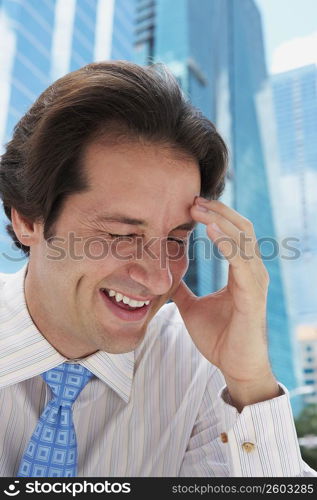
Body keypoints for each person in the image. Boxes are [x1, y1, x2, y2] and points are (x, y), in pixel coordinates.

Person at [0, 61, 315, 478]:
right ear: (28, 219)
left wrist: (250, 382)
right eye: (120, 235)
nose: (158, 277)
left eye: (175, 239)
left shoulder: (200, 368)